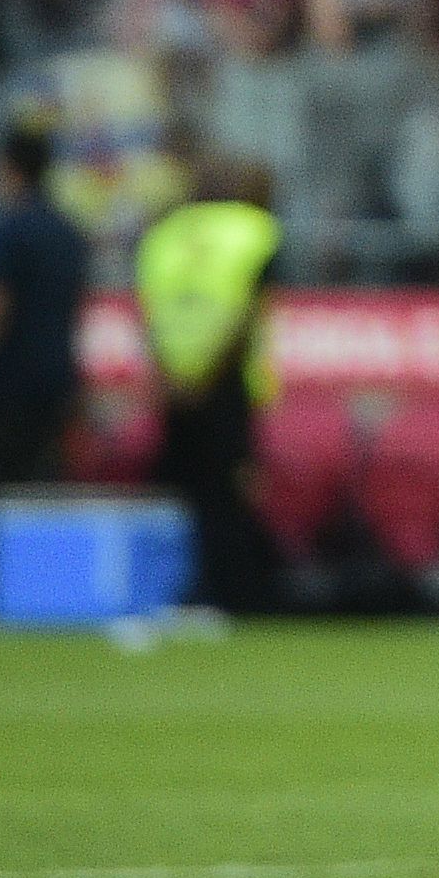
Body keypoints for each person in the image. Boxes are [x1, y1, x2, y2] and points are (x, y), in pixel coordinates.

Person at [137, 174, 284, 616]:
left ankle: (176, 595)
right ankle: (236, 599)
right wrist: (210, 377)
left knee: (180, 492)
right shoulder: (252, 233)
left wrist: (167, 378)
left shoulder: (165, 234)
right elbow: (245, 316)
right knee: (230, 495)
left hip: (174, 386)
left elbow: (150, 310)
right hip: (224, 387)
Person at [0, 112, 88, 504]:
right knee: (43, 496)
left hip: (10, 382)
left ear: (8, 168)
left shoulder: (9, 229)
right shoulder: (69, 233)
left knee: (0, 494)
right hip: (56, 380)